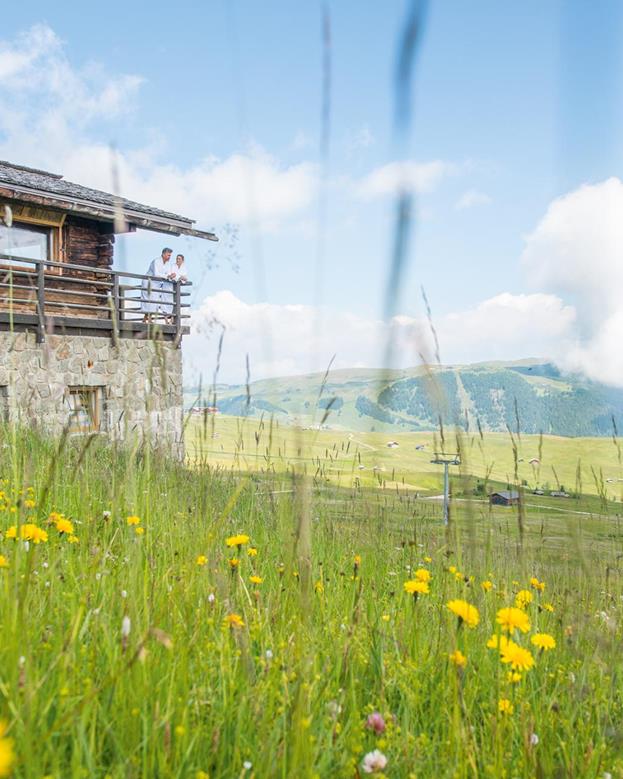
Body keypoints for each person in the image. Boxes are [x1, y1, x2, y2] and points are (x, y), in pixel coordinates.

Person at [141, 247, 176, 322]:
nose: (169, 257)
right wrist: (167, 276)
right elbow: (156, 274)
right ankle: (148, 319)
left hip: (156, 284)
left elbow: (168, 273)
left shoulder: (168, 264)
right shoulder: (156, 261)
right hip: (149, 282)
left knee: (155, 301)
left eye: (170, 255)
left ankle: (145, 319)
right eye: (168, 255)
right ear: (163, 254)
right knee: (149, 300)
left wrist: (171, 275)